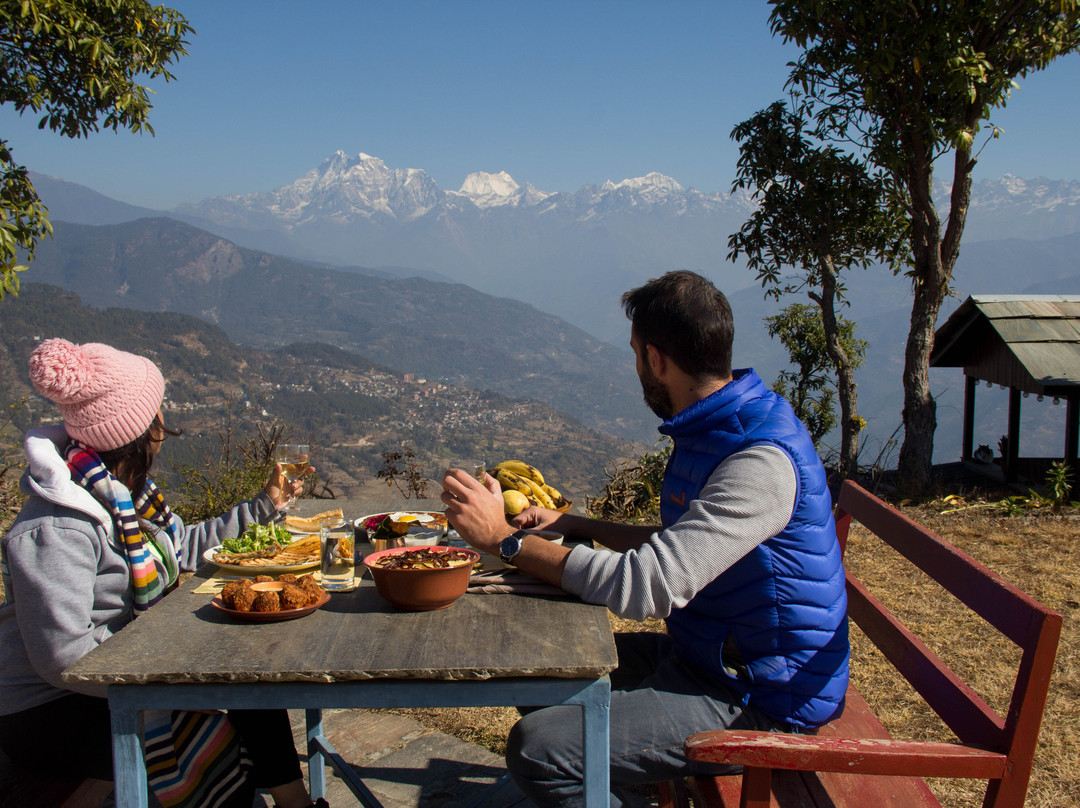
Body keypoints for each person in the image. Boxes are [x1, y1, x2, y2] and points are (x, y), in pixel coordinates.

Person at [442, 270, 849, 808]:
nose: (637, 370)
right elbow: (685, 543)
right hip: (714, 656)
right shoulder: (717, 427)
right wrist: (575, 526)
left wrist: (502, 539)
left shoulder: (759, 460)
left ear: (656, 360)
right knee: (538, 668)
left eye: (636, 355)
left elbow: (648, 587)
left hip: (761, 695)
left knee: (539, 749)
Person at [0, 338, 327, 808]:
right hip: (48, 710)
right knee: (208, 740)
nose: (162, 423)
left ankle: (295, 804)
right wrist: (164, 669)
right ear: (137, 430)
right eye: (156, 411)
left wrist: (264, 506)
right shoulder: (57, 526)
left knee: (245, 673)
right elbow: (62, 658)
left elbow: (183, 547)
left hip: (111, 673)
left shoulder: (122, 495)